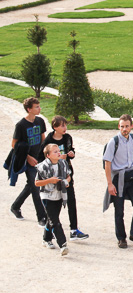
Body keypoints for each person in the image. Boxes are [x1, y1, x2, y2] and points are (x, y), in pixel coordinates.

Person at [102, 114, 133, 248]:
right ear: (118, 126)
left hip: (131, 177)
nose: (124, 129)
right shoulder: (113, 142)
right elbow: (107, 163)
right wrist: (110, 184)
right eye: (122, 126)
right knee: (119, 210)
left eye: (127, 126)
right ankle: (121, 238)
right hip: (118, 179)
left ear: (131, 126)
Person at [41, 116, 87, 241]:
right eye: (62, 125)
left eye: (65, 125)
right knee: (55, 207)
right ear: (55, 127)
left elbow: (70, 151)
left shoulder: (68, 138)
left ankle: (74, 230)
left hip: (67, 174)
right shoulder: (48, 141)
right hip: (54, 177)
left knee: (71, 200)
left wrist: (71, 154)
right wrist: (56, 159)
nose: (65, 128)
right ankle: (47, 236)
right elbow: (43, 158)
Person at [7, 97, 48, 226]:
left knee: (31, 186)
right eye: (36, 107)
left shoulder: (40, 121)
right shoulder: (20, 125)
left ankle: (15, 206)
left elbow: (43, 140)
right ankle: (42, 218)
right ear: (29, 109)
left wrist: (46, 155)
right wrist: (28, 158)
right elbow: (14, 144)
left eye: (39, 106)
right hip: (28, 161)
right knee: (36, 187)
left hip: (39, 159)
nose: (39, 108)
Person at [34, 143, 71, 256]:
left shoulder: (63, 163)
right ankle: (63, 244)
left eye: (58, 151)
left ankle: (46, 239)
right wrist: (50, 180)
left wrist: (66, 182)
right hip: (47, 196)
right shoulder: (43, 166)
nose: (58, 153)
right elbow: (36, 183)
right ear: (48, 155)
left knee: (52, 218)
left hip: (59, 195)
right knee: (55, 221)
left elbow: (69, 176)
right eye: (55, 152)